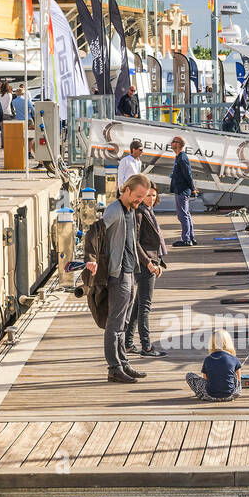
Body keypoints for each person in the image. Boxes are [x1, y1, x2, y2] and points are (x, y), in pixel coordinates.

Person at [84, 174, 151, 383]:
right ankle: (114, 368)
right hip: (118, 273)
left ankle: (123, 363)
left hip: (130, 272)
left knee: (123, 321)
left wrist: (147, 262)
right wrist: (91, 259)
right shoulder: (115, 210)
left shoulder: (131, 210)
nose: (140, 200)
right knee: (115, 323)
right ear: (127, 190)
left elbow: (132, 241)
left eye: (143, 197)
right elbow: (92, 233)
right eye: (138, 196)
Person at [125, 181, 167, 358]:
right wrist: (149, 263)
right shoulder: (139, 213)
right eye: (148, 195)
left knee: (138, 304)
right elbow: (135, 242)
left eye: (154, 195)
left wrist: (160, 261)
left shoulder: (148, 211)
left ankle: (127, 343)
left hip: (152, 261)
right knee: (145, 306)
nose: (151, 199)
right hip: (145, 265)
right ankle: (147, 346)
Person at [187, 329, 242, 401]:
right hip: (231, 395)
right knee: (233, 374)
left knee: (189, 375)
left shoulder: (208, 359)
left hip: (210, 396)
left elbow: (206, 379)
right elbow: (239, 379)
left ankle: (200, 394)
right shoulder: (234, 359)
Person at [169, 136, 198, 246]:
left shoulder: (182, 158)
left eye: (173, 142)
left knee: (182, 215)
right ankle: (190, 237)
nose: (171, 143)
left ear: (178, 144)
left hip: (182, 190)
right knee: (186, 214)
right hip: (179, 189)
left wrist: (193, 188)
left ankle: (186, 239)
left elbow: (188, 175)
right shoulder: (178, 157)